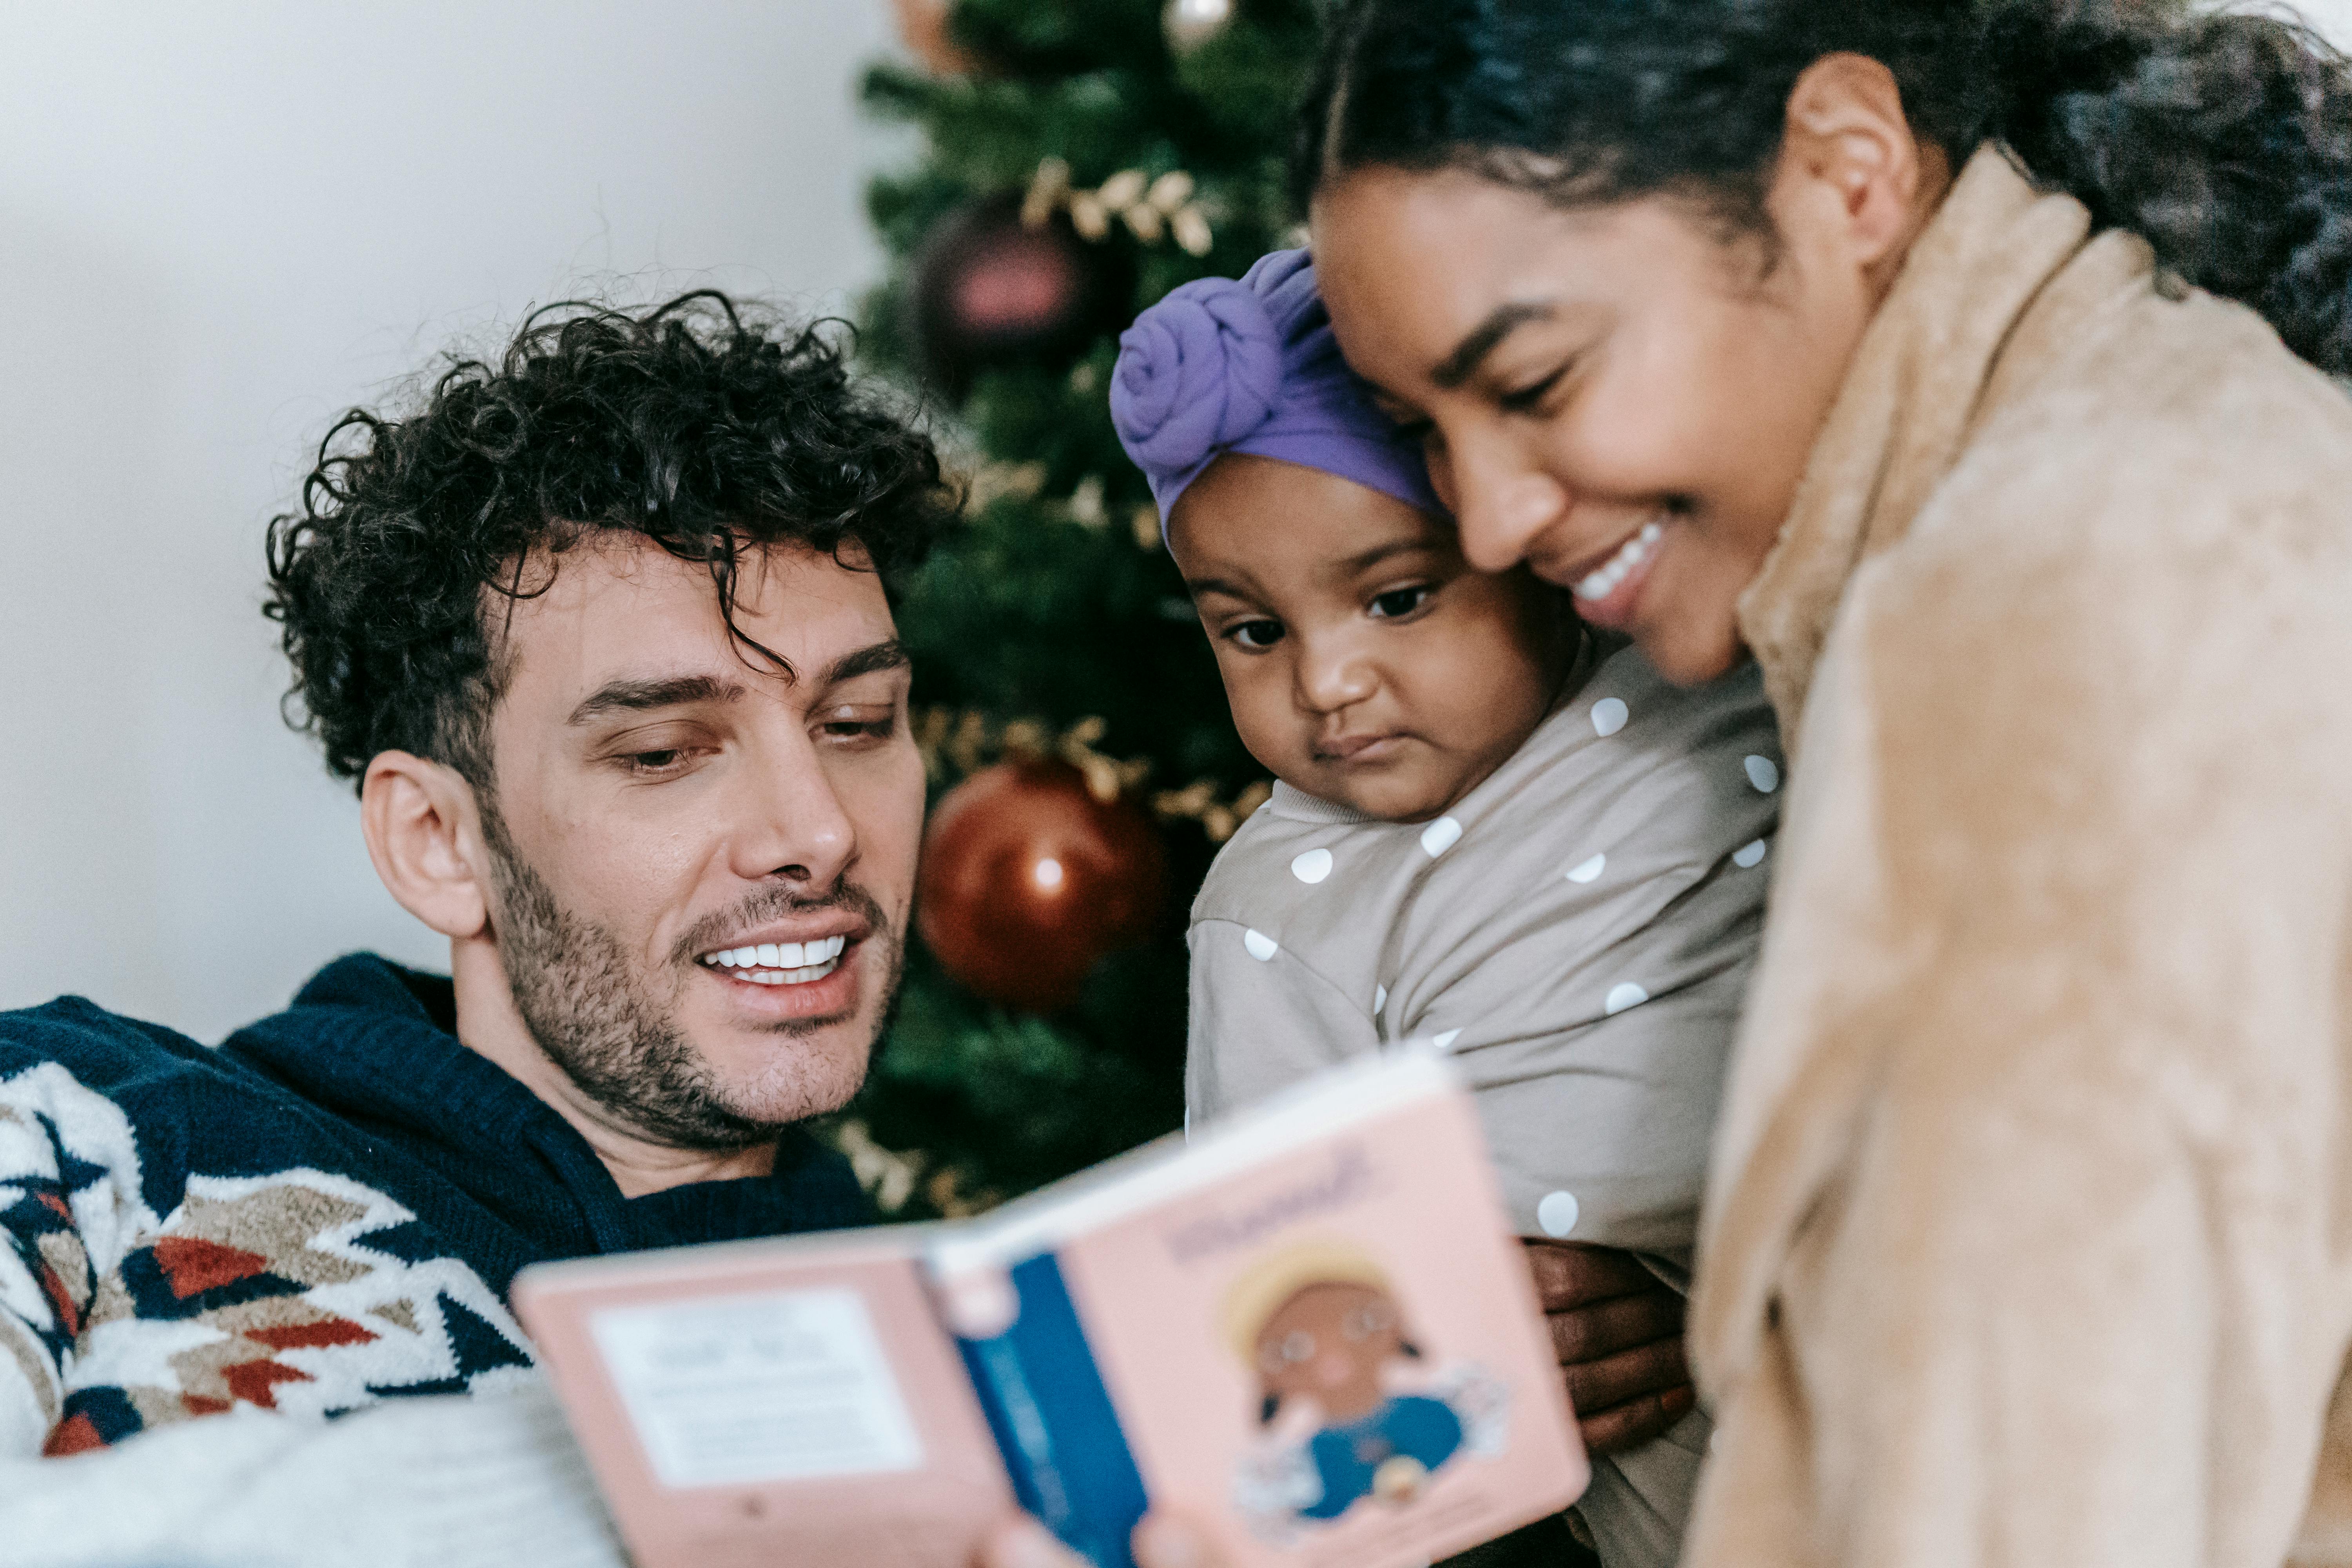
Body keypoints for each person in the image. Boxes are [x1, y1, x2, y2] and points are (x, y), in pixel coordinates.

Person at [0, 289, 1682, 1568]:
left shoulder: (994, 1361)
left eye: (862, 721)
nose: (818, 833)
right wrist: (627, 1473)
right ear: (439, 839)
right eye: (667, 752)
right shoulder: (75, 1127)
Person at [1296, 1, 2352, 1564]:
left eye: (1533, 383)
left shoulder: (2036, 604)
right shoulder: (2173, 448)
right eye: (1423, 435)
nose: (1493, 519)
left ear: (1849, 174)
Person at [1112, 246, 1779, 1568]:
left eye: (1397, 599)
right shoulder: (1276, 919)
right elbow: (1278, 1300)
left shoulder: (1704, 663)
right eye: (1251, 631)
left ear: (1521, 539)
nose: (1329, 683)